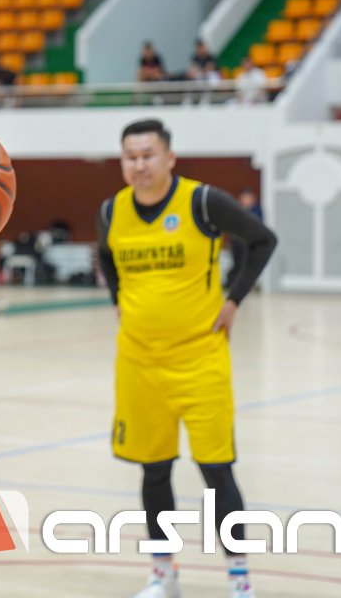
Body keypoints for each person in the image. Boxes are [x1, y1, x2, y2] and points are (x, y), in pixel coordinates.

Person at [96, 119, 277, 598]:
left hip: (200, 359)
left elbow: (263, 240)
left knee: (216, 471)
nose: (139, 165)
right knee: (154, 470)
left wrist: (234, 299)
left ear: (169, 158)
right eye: (131, 156)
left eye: (148, 155)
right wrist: (117, 298)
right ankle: (164, 573)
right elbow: (106, 256)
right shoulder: (112, 210)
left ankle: (239, 578)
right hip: (139, 363)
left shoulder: (202, 201)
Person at [226, 189, 265, 291]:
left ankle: (246, 285)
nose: (245, 200)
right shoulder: (236, 209)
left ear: (253, 199)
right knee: (237, 263)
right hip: (237, 241)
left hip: (249, 242)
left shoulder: (257, 211)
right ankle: (232, 283)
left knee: (247, 264)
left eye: (248, 198)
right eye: (244, 198)